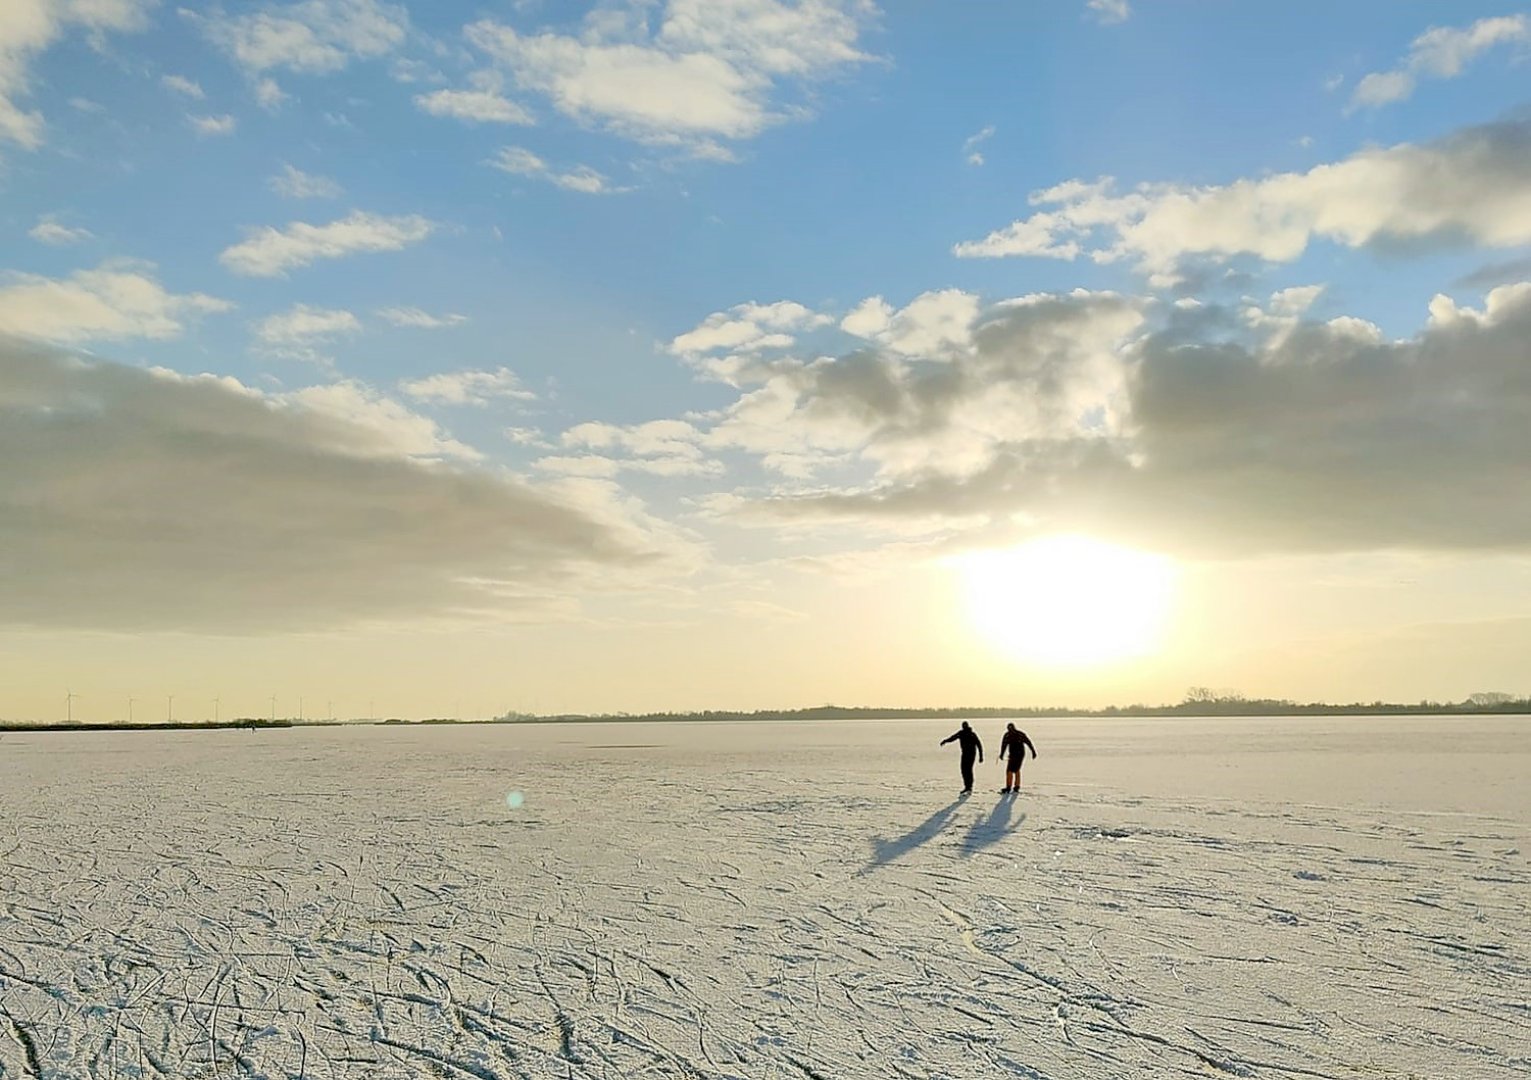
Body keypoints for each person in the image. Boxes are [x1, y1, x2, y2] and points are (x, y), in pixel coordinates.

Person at [939, 721, 984, 795]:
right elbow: (953, 738)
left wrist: (981, 756)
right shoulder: (961, 733)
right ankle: (967, 786)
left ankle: (969, 787)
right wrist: (945, 741)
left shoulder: (972, 734)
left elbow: (979, 744)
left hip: (971, 754)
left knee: (968, 770)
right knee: (964, 770)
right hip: (965, 754)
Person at [998, 723, 1037, 794]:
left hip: (1019, 754)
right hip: (1015, 754)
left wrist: (1033, 751)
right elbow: (1004, 745)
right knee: (1014, 770)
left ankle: (1011, 787)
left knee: (1011, 770)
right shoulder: (1014, 734)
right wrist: (1001, 754)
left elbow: (1028, 742)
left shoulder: (1011, 735)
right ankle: (1014, 786)